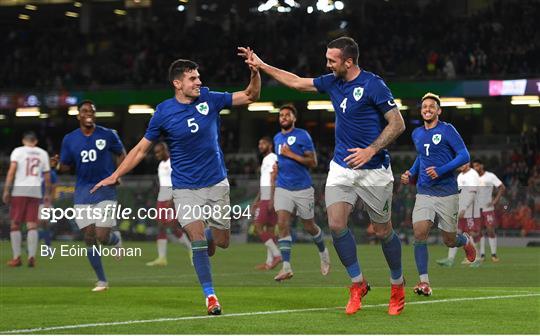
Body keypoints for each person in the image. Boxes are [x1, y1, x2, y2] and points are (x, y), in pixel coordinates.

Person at [242, 36, 406, 315]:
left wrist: (371, 149)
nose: (327, 64)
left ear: (349, 61)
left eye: (332, 60)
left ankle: (397, 284)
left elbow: (398, 123)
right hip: (342, 167)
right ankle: (358, 284)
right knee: (337, 224)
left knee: (383, 230)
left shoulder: (373, 84)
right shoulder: (332, 82)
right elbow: (296, 82)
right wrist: (261, 65)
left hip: (374, 170)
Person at [91, 52, 261, 315]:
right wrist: (115, 175)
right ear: (177, 83)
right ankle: (211, 297)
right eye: (193, 78)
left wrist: (255, 72)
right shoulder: (163, 112)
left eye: (198, 77)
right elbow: (139, 150)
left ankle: (208, 234)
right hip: (184, 188)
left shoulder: (209, 98)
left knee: (221, 242)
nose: (198, 82)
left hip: (216, 184)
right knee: (196, 240)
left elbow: (250, 95)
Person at [400, 92, 477, 297]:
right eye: (424, 107)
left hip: (447, 192)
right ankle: (424, 282)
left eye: (431, 107)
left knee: (449, 240)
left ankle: (465, 241)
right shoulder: (417, 133)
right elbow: (421, 157)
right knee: (419, 233)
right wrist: (411, 173)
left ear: (438, 111)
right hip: (425, 191)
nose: (427, 109)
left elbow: (464, 155)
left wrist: (441, 170)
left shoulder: (447, 130)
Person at [58, 100, 126, 291]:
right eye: (85, 111)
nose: (89, 114)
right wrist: (56, 164)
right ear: (79, 115)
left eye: (92, 111)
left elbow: (122, 154)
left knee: (102, 236)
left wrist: (117, 174)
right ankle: (102, 280)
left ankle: (115, 239)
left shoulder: (108, 134)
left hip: (105, 189)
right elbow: (65, 166)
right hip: (82, 192)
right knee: (89, 237)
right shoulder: (69, 139)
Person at [271, 104, 330, 281]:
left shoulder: (302, 135)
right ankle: (286, 267)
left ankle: (323, 252)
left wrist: (291, 155)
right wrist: (277, 168)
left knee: (309, 226)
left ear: (294, 118)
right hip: (283, 187)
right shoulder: (276, 138)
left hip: (303, 188)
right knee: (282, 224)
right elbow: (281, 161)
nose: (283, 117)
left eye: (287, 115)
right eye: (281, 115)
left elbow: (313, 162)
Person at [3, 131, 51, 267]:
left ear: (24, 141)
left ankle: (17, 257)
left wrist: (7, 190)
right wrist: (47, 194)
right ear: (35, 141)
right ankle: (31, 257)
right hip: (35, 191)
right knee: (32, 225)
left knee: (15, 224)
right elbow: (47, 177)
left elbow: (11, 172)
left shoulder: (18, 151)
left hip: (20, 189)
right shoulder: (42, 153)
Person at [146, 142, 192, 267]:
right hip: (161, 198)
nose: (156, 155)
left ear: (165, 150)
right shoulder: (161, 165)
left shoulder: (174, 162)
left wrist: (173, 199)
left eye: (158, 152)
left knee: (173, 226)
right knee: (161, 226)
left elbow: (180, 180)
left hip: (172, 198)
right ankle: (161, 258)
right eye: (155, 152)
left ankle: (191, 249)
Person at [436, 162, 482, 267]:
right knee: (454, 232)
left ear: (468, 163)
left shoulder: (472, 174)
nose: (460, 165)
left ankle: (477, 258)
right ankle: (450, 259)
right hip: (459, 209)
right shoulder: (460, 176)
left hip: (469, 210)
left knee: (470, 233)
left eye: (463, 163)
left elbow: (473, 193)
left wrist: (465, 208)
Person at [251, 136, 282, 270]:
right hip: (265, 196)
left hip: (269, 197)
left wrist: (272, 199)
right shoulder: (265, 160)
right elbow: (264, 181)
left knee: (257, 227)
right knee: (269, 228)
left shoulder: (273, 158)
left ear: (270, 145)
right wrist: (256, 200)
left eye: (262, 143)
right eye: (259, 143)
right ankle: (269, 263)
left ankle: (277, 255)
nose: (260, 146)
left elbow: (273, 178)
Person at [472, 159, 505, 262]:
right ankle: (482, 255)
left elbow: (502, 187)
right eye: (474, 166)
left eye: (477, 166)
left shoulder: (490, 176)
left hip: (488, 208)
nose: (475, 168)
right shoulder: (473, 178)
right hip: (476, 208)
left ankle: (494, 254)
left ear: (482, 165)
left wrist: (495, 201)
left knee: (490, 230)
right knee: (479, 231)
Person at [38, 155, 59, 247]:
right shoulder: (39, 173)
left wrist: (50, 201)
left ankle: (36, 245)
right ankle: (47, 246)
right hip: (37, 201)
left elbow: (54, 189)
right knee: (42, 224)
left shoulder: (52, 174)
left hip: (45, 202)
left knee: (43, 222)